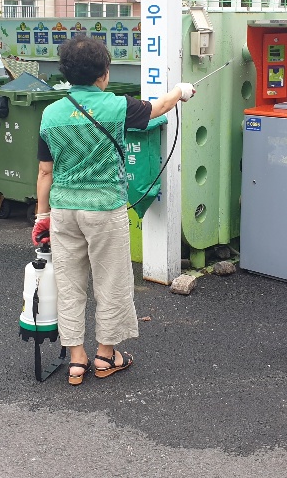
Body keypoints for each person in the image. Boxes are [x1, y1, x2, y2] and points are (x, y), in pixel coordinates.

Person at [32, 35, 195, 385]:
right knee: (112, 282)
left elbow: (45, 171)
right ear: (103, 74)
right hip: (105, 209)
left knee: (69, 283)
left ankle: (76, 360)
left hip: (63, 210)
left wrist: (41, 216)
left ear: (67, 74)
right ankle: (106, 355)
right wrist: (181, 91)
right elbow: (157, 109)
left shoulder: (50, 113)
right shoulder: (116, 106)